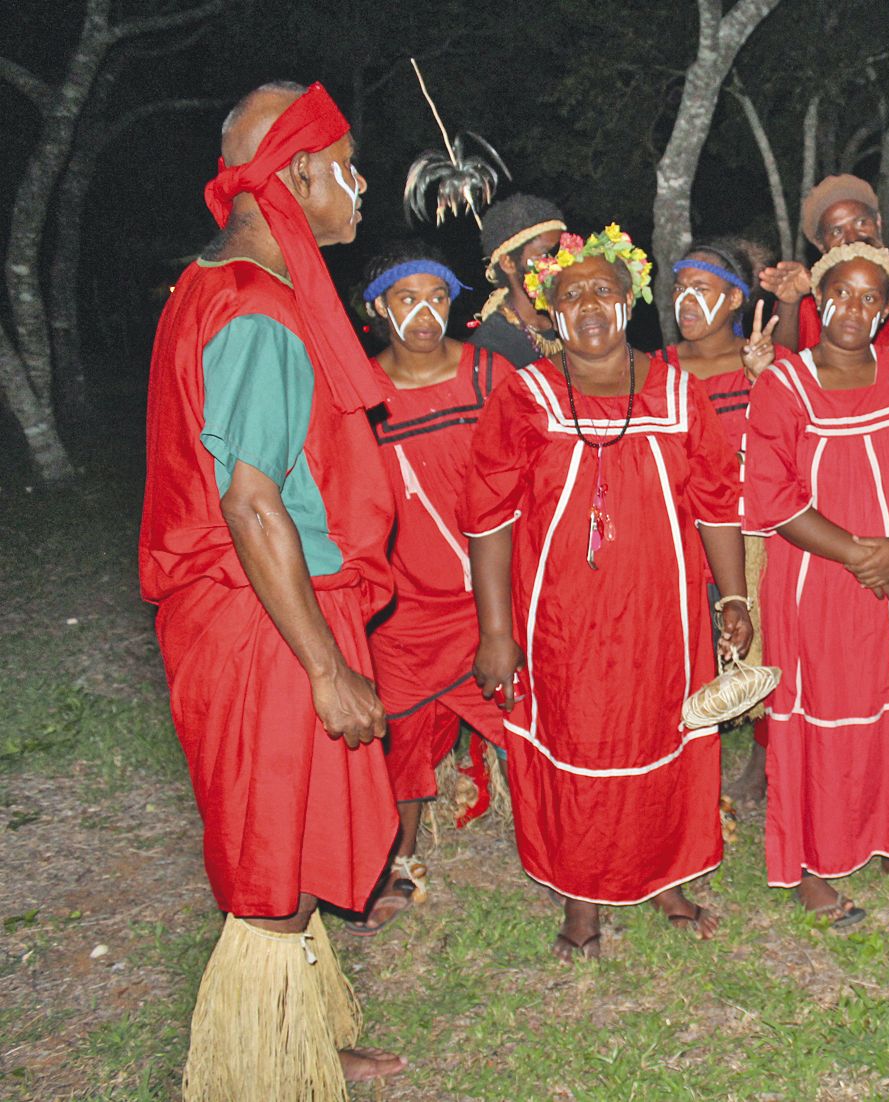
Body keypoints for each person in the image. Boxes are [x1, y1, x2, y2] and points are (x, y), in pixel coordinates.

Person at [138, 81, 404, 1098]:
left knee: (286, 833)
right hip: (264, 624)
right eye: (345, 162)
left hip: (262, 610)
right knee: (269, 848)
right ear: (296, 174)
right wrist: (326, 666)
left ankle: (302, 1040)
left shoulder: (217, 283)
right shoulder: (254, 308)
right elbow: (251, 506)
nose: (361, 181)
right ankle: (256, 1076)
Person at [465, 225, 752, 960]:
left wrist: (734, 600)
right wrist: (497, 631)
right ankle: (582, 896)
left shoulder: (678, 391)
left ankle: (664, 875)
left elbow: (718, 502)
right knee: (580, 739)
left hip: (665, 612)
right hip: (564, 615)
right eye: (570, 294)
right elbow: (489, 515)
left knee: (664, 731)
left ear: (630, 300)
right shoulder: (526, 394)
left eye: (602, 289)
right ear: (551, 313)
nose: (589, 304)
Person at [744, 242, 889, 923]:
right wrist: (857, 555)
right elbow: (771, 493)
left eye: (871, 296)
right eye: (841, 292)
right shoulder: (784, 384)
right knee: (827, 713)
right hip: (820, 580)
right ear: (818, 298)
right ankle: (816, 864)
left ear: (887, 308)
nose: (854, 307)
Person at [345, 242, 512, 935]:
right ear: (379, 307)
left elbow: (523, 469)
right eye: (406, 298)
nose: (424, 313)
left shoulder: (486, 374)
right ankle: (402, 860)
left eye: (437, 297)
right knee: (402, 732)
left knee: (526, 720)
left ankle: (562, 838)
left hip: (489, 594)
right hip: (404, 599)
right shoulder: (359, 390)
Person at [665, 237, 780, 808]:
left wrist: (765, 380)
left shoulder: (762, 363)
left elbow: (792, 444)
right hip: (681, 538)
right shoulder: (655, 368)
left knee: (766, 648)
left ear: (736, 298)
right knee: (688, 659)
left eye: (701, 290)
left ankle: (765, 762)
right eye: (681, 289)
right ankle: (689, 780)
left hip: (754, 532)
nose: (687, 301)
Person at [758, 174, 889, 375]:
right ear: (821, 245)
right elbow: (776, 371)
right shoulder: (809, 301)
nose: (853, 238)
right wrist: (789, 303)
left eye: (862, 222)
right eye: (837, 232)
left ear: (878, 222)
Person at [471, 193, 568, 367]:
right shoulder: (492, 346)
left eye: (563, 253)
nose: (558, 264)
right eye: (544, 254)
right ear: (508, 263)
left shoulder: (570, 317)